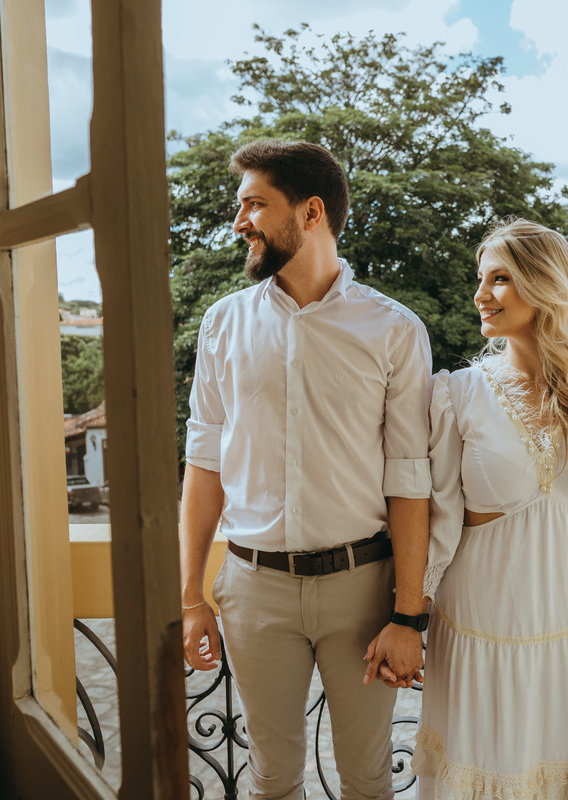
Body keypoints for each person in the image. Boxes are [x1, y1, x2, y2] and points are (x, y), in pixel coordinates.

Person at [179, 140, 432, 800]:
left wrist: (408, 616)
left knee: (370, 780)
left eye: (255, 205)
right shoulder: (221, 326)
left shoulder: (394, 330)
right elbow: (204, 467)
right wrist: (188, 597)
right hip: (254, 588)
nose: (240, 222)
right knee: (270, 781)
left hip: (364, 590)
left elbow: (410, 478)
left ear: (311, 211)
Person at [407, 219, 568, 799]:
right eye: (481, 279)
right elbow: (440, 521)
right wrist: (408, 618)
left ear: (545, 284)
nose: (481, 295)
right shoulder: (458, 393)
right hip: (483, 629)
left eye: (498, 279)